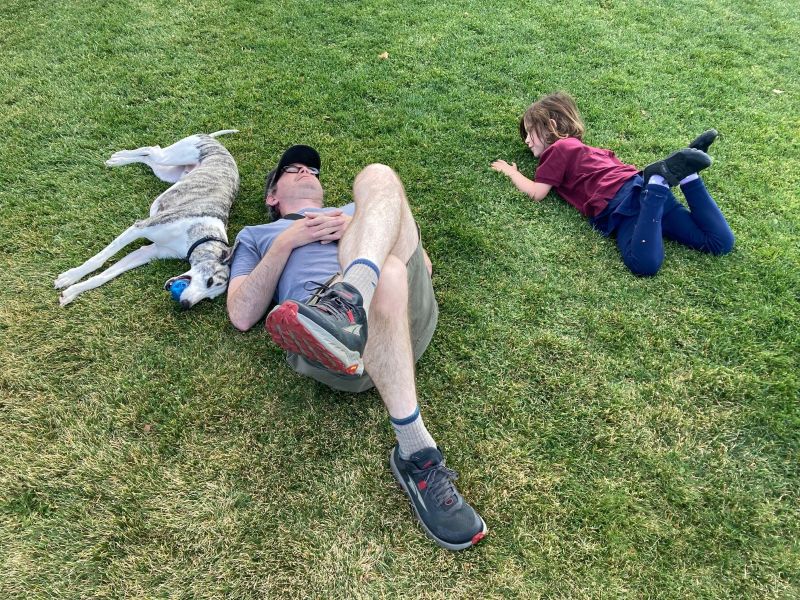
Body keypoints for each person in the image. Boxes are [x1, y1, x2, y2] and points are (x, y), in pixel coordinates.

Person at [226, 145, 487, 551]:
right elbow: (241, 314)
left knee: (380, 175)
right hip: (333, 349)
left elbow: (426, 266)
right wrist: (288, 242)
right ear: (272, 197)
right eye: (291, 169)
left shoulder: (360, 212)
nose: (305, 171)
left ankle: (350, 297)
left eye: (311, 168)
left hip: (402, 319)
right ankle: (416, 452)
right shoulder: (258, 236)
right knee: (389, 272)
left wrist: (357, 233)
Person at [491, 92, 735, 276]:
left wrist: (512, 173)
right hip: (640, 186)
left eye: (529, 132)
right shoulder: (587, 151)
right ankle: (688, 175)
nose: (525, 140)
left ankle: (660, 182)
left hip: (623, 205)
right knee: (720, 243)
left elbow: (537, 192)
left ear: (550, 128)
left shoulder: (558, 149)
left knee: (644, 265)